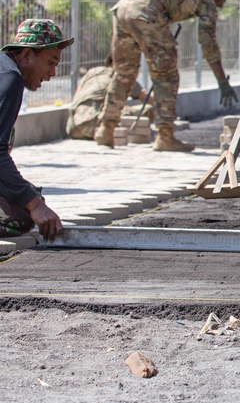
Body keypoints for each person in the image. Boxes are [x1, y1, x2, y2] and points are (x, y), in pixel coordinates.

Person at [93, 0, 237, 152]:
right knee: (166, 76)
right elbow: (208, 43)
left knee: (124, 73)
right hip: (146, 13)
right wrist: (222, 80)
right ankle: (165, 136)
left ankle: (106, 129)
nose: (217, 4)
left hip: (122, 9)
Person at [1, 19, 73, 241]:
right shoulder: (10, 79)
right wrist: (34, 204)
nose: (52, 73)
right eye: (51, 62)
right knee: (22, 216)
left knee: (27, 197)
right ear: (26, 56)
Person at [67, 54, 152, 140]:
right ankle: (105, 133)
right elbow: (148, 100)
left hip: (73, 126)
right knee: (149, 109)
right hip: (95, 123)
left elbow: (76, 97)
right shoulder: (123, 76)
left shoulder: (93, 71)